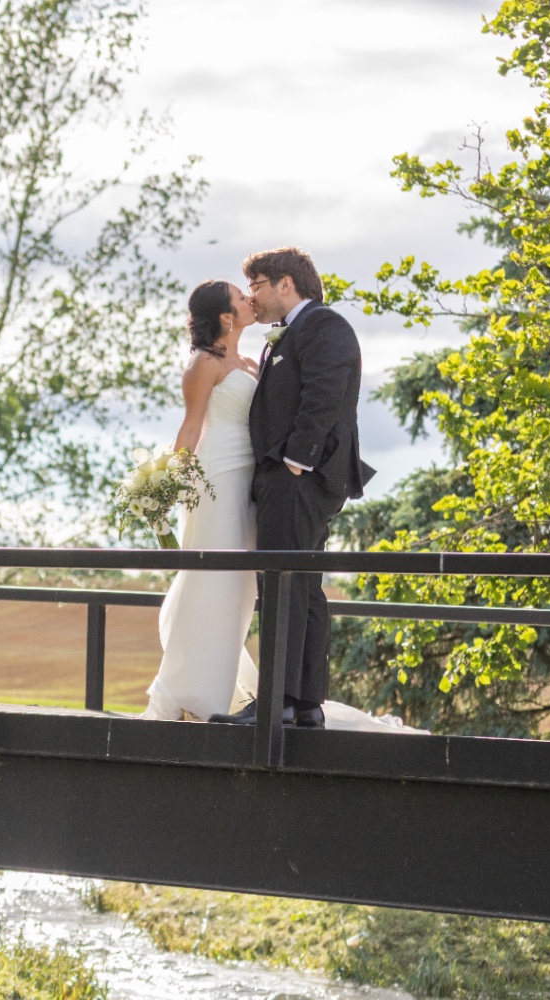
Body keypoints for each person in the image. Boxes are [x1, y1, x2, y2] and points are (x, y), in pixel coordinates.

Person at [208, 247, 376, 729]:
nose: (253, 298)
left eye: (256, 285)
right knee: (302, 586)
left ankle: (276, 701)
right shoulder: (287, 336)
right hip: (293, 479)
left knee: (280, 582)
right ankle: (303, 705)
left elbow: (324, 396)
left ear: (286, 284)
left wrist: (295, 464)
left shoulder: (324, 326)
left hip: (301, 478)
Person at [140, 280, 260, 721]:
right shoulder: (203, 363)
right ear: (227, 316)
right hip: (214, 479)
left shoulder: (250, 361)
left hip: (249, 481)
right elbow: (190, 429)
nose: (250, 300)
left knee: (241, 585)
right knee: (213, 579)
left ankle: (222, 681)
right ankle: (193, 691)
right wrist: (166, 491)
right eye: (240, 297)